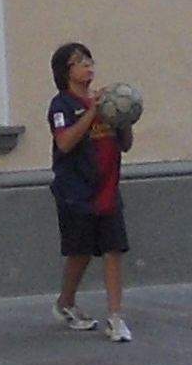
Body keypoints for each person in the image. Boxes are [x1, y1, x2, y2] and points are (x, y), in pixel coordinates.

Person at [48, 40, 133, 342]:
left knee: (113, 250)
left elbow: (125, 144)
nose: (88, 65)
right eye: (80, 61)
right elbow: (65, 142)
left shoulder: (104, 102)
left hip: (108, 189)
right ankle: (65, 302)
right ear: (66, 71)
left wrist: (124, 118)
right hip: (76, 191)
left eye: (89, 60)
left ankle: (115, 317)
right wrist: (92, 113)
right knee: (80, 253)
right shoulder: (62, 105)